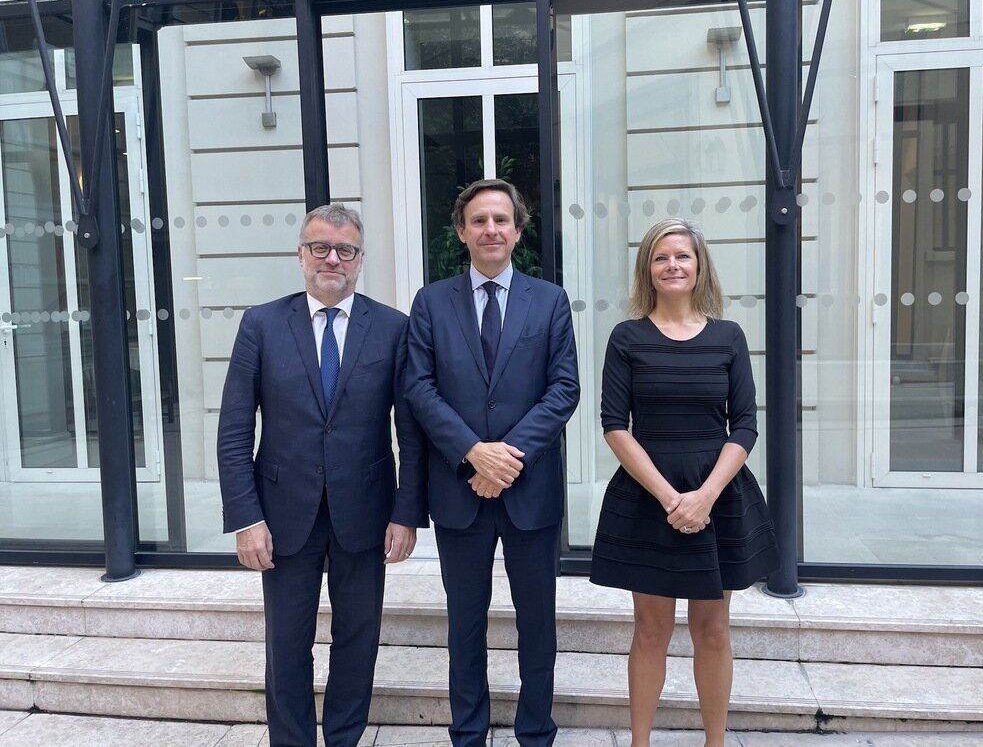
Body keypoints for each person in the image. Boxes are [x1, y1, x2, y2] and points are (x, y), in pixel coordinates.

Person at [217, 203, 427, 747]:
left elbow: (411, 430)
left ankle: (344, 739)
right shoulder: (261, 324)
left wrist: (407, 513)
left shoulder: (393, 328)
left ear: (360, 259)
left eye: (346, 250)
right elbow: (235, 430)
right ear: (301, 255)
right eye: (320, 247)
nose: (332, 258)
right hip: (283, 517)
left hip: (366, 514)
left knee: (358, 640)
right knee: (286, 643)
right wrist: (246, 517)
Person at [589, 218, 779, 747]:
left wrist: (706, 496)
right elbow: (613, 423)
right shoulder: (627, 337)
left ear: (699, 268)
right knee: (650, 631)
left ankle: (715, 742)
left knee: (713, 630)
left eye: (683, 257)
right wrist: (672, 498)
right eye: (661, 257)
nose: (673, 265)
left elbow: (744, 424)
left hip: (717, 492)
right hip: (649, 493)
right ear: (647, 269)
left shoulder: (728, 336)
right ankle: (640, 742)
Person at [404, 178, 580, 747]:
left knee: (537, 625)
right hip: (459, 490)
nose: (491, 230)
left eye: (501, 220)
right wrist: (472, 452)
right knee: (466, 625)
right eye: (478, 221)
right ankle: (468, 733)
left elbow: (563, 389)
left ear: (518, 230)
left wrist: (506, 457)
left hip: (531, 493)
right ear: (461, 232)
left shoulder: (549, 300)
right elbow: (420, 388)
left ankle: (536, 732)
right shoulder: (430, 302)